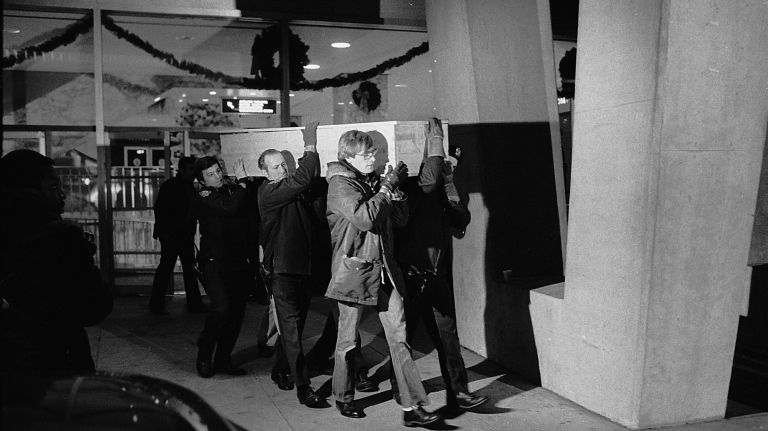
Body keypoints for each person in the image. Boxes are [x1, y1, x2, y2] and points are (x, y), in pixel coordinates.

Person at [324, 130, 440, 426]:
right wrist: (386, 187)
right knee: (347, 341)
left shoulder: (372, 181)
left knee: (399, 339)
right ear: (348, 156)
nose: (373, 159)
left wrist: (396, 192)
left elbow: (399, 220)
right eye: (366, 154)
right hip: (354, 272)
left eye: (373, 153)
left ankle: (412, 407)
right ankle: (343, 396)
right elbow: (365, 218)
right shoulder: (339, 184)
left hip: (385, 271)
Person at [394, 118, 488, 411]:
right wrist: (435, 141)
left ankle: (458, 392)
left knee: (447, 335)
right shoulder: (413, 183)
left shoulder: (443, 188)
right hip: (411, 275)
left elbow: (462, 219)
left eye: (452, 165)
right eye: (445, 162)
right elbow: (428, 182)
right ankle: (403, 391)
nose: (449, 167)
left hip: (435, 275)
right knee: (404, 338)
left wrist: (450, 184)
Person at [1, 150, 113, 388]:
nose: (62, 194)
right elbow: (94, 308)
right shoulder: (60, 239)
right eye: (53, 187)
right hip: (59, 363)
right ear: (29, 193)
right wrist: (83, 257)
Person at [257, 121, 324, 408]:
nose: (283, 169)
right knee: (293, 331)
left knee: (294, 329)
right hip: (283, 272)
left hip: (301, 269)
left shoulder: (291, 191)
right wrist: (310, 142)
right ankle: (303, 387)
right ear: (265, 173)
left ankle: (280, 369)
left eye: (284, 164)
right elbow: (304, 177)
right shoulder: (269, 193)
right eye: (276, 167)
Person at [193, 156, 256, 378]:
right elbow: (229, 208)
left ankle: (223, 359)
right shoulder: (205, 195)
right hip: (214, 262)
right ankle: (204, 354)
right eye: (210, 174)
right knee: (221, 308)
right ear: (202, 181)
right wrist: (242, 182)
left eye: (218, 171)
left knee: (237, 311)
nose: (217, 176)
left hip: (237, 261)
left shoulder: (231, 190)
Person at [149, 156, 207, 315]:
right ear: (182, 170)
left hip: (176, 234)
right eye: (191, 169)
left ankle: (157, 304)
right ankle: (193, 304)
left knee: (169, 268)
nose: (193, 172)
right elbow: (163, 210)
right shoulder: (183, 187)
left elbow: (161, 210)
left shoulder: (174, 186)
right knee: (184, 269)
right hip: (177, 234)